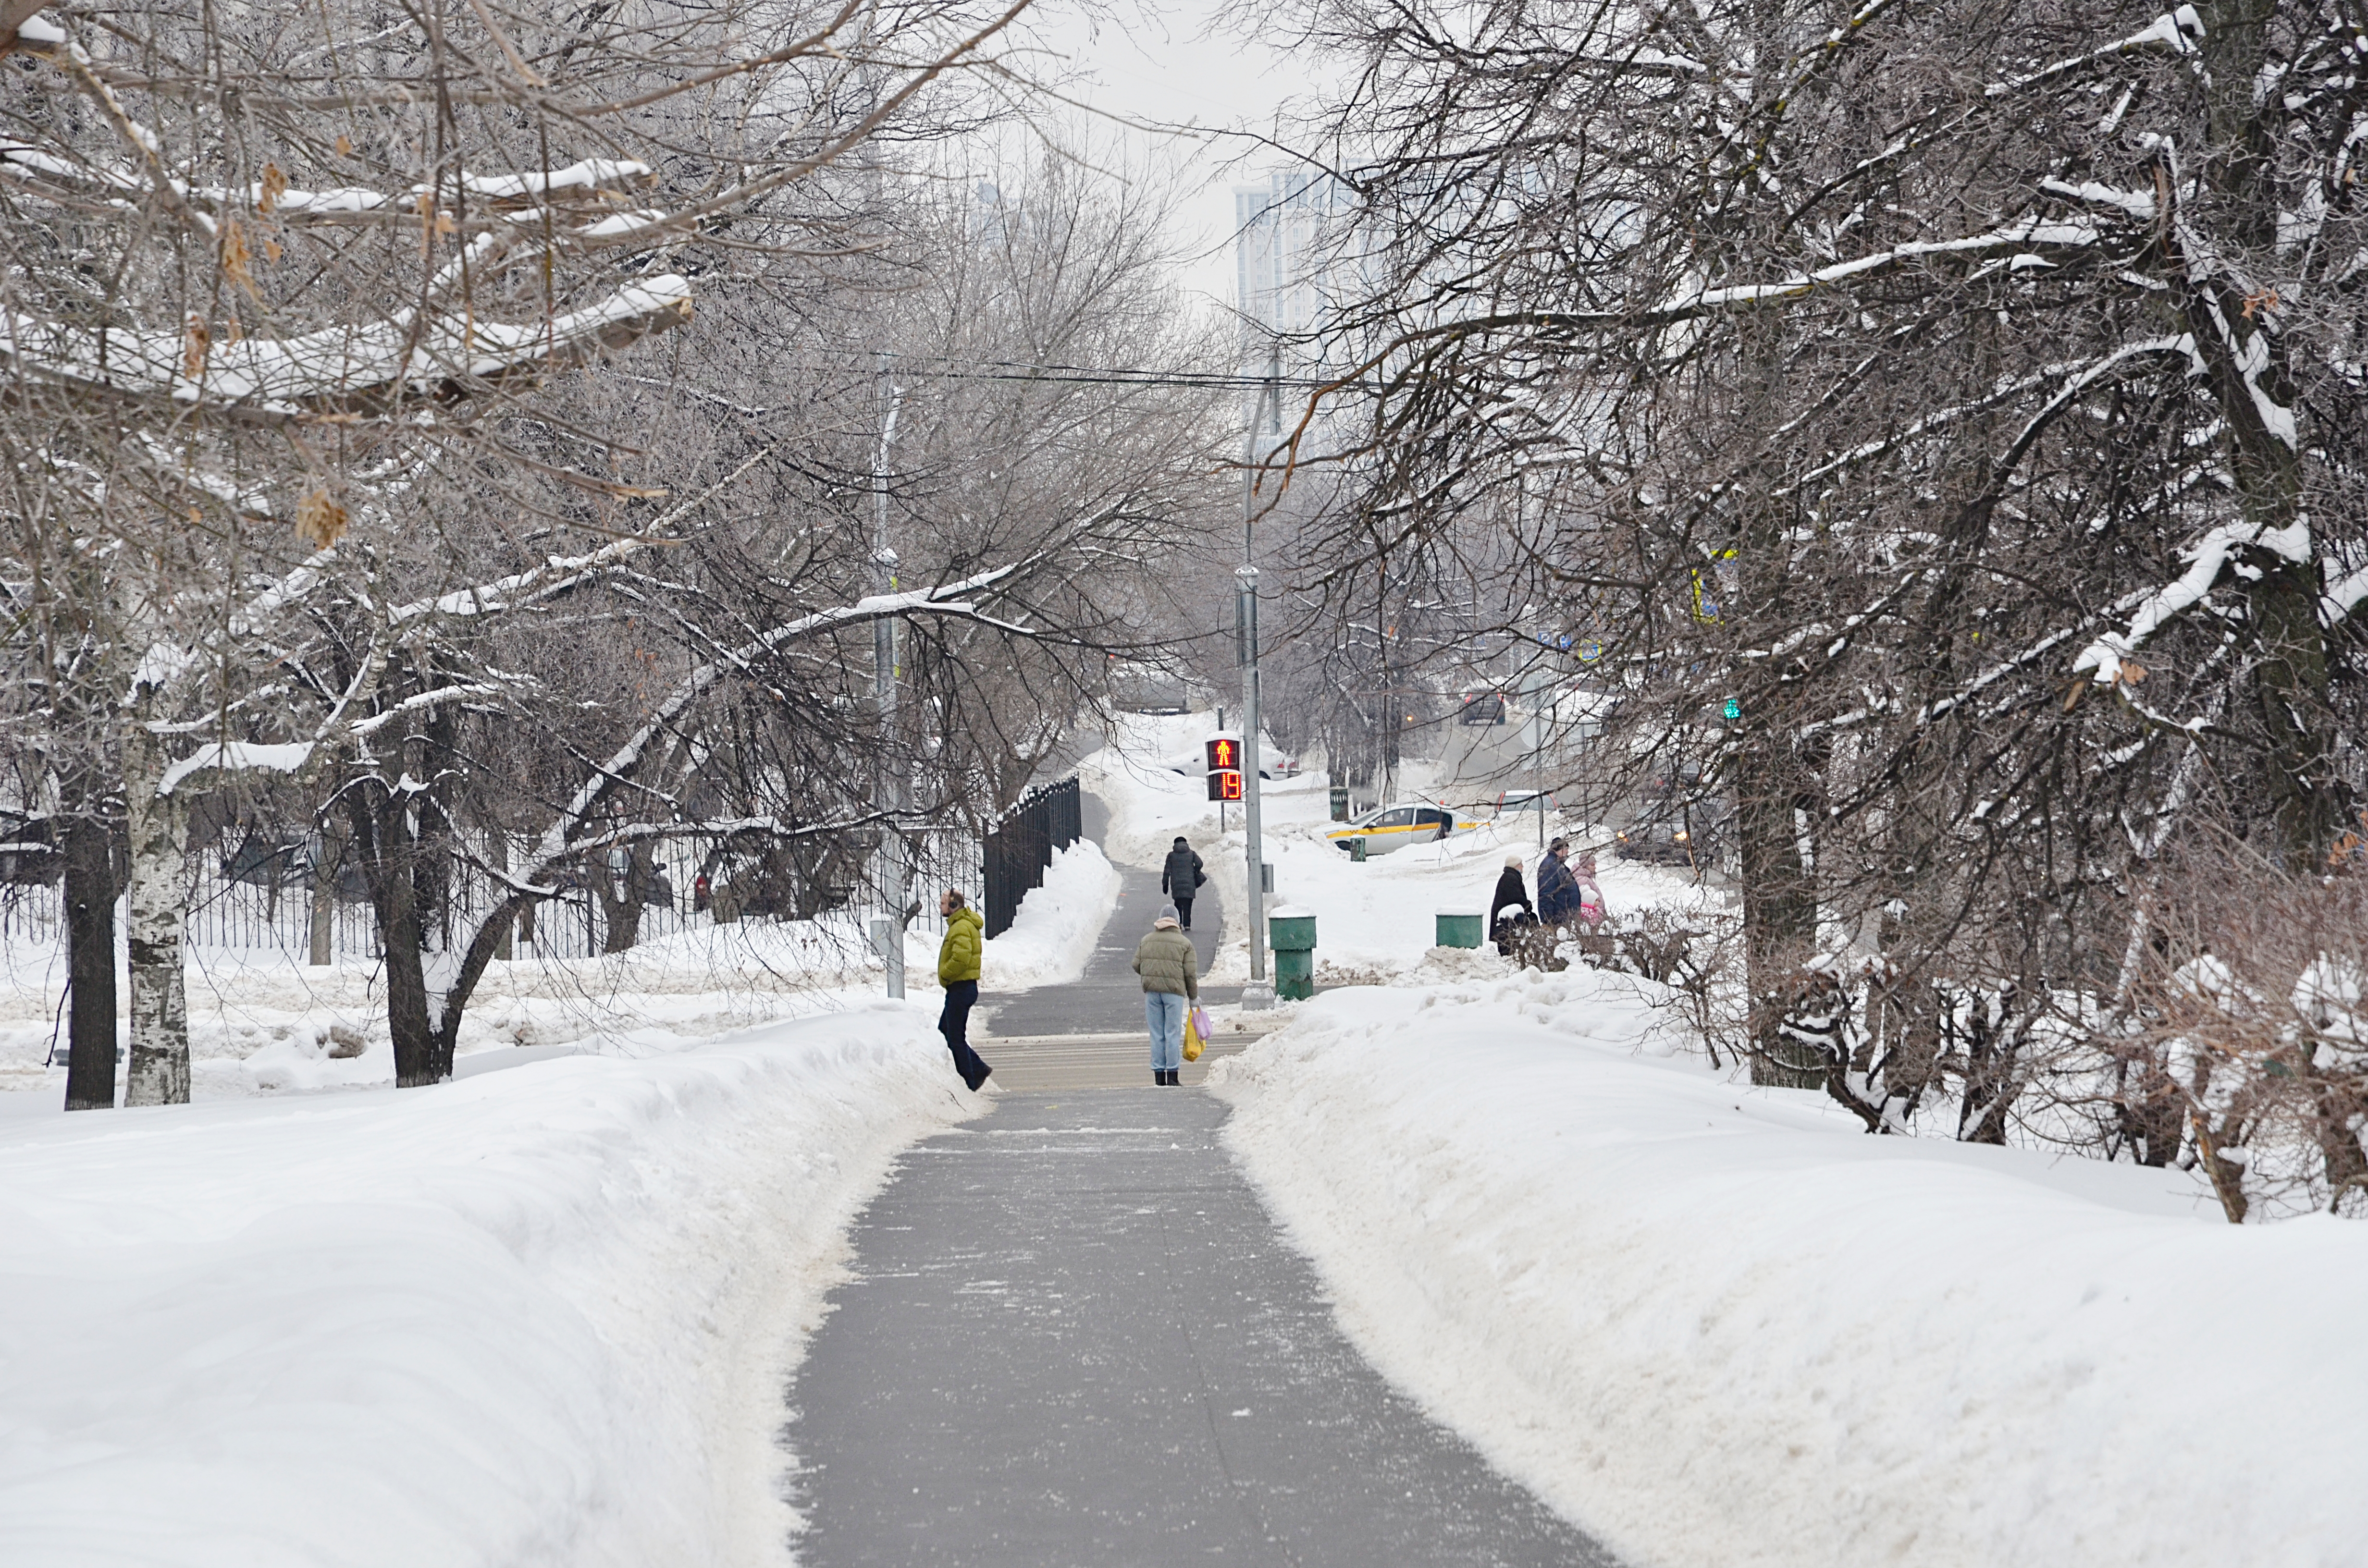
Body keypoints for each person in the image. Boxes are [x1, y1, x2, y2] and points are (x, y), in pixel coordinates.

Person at [1131, 904, 1199, 1087]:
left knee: (1156, 1034)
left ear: (1160, 920)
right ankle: (1173, 1076)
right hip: (1174, 995)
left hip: (1152, 993)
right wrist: (1193, 998)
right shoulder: (1185, 944)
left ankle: (1159, 1077)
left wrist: (1151, 975)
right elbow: (1190, 974)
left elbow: (1136, 965)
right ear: (1176, 921)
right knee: (1172, 1033)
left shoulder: (1146, 940)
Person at [935, 889, 993, 1091]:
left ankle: (971, 1079)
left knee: (954, 1037)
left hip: (961, 987)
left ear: (953, 907)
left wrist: (945, 973)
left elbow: (961, 958)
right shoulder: (962, 925)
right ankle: (977, 1069)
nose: (940, 907)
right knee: (946, 1030)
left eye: (943, 904)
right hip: (964, 988)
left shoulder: (960, 928)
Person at [1489, 853, 1535, 955]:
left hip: (1506, 924)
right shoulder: (1510, 878)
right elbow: (1515, 898)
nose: (1523, 866)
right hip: (1506, 925)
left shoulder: (1511, 877)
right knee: (1508, 953)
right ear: (1515, 866)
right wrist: (1527, 905)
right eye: (1521, 864)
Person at [1161, 836, 1207, 932]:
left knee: (1178, 903)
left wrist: (1165, 885)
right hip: (1190, 883)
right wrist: (1196, 870)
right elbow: (1200, 864)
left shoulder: (1171, 856)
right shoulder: (1192, 854)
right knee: (1188, 904)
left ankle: (1179, 923)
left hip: (1176, 884)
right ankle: (1187, 925)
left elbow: (1167, 871)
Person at [1537, 838, 1582, 929]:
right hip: (1558, 920)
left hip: (1564, 918)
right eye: (1566, 850)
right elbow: (1546, 894)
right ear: (1559, 850)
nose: (1567, 853)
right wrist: (1548, 921)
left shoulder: (1557, 865)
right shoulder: (1551, 866)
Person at [1571, 851, 1608, 934]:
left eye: (1595, 865)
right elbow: (1587, 904)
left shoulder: (1586, 878)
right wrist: (1597, 916)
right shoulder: (1583, 880)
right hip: (1593, 920)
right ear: (1585, 866)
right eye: (1592, 865)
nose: (1595, 868)